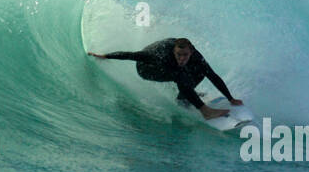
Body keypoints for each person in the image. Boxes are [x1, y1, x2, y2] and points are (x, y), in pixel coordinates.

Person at [88, 37, 242, 121]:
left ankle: (184, 98)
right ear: (173, 51)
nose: (182, 58)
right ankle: (205, 111)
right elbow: (132, 55)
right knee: (179, 74)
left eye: (185, 55)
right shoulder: (160, 54)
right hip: (146, 69)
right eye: (178, 55)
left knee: (201, 71)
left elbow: (213, 75)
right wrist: (105, 56)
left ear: (192, 52)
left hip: (169, 68)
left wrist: (231, 98)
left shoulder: (195, 55)